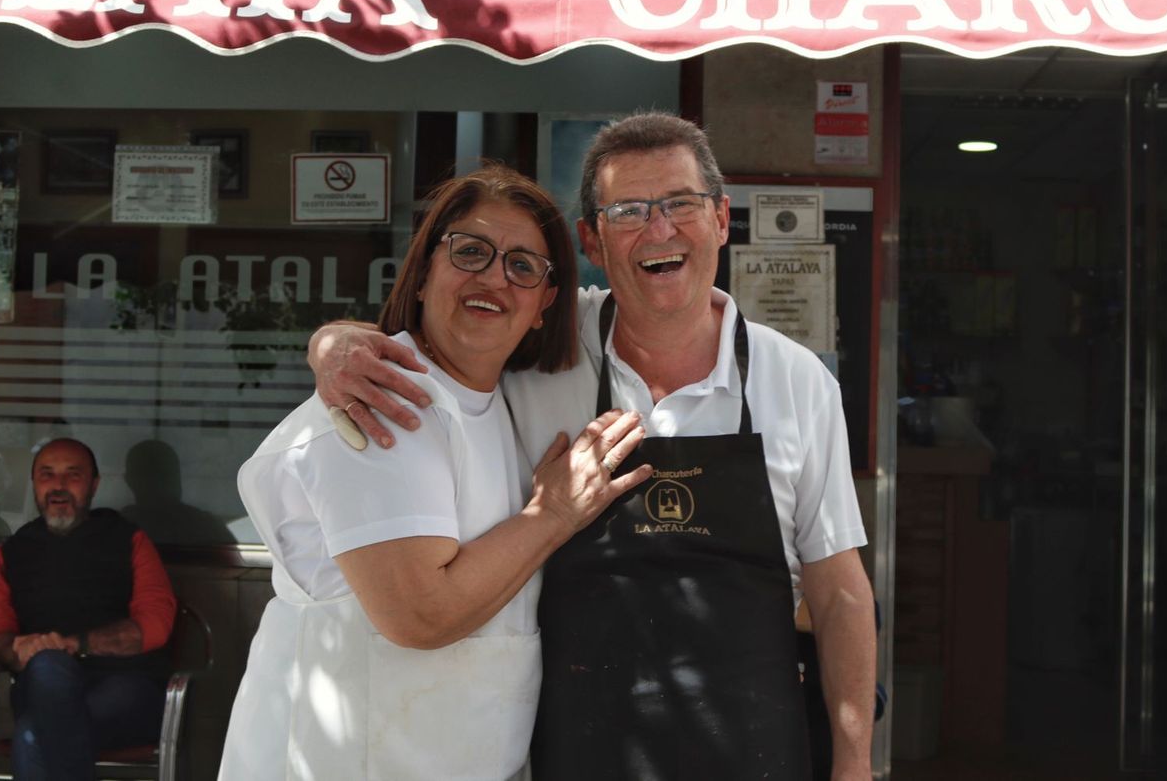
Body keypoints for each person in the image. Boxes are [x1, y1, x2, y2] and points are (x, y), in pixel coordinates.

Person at [311, 113, 877, 780]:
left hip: (753, 747)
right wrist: (335, 343)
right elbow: (452, 327)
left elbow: (839, 592)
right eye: (628, 211)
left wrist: (854, 767)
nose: (658, 230)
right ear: (592, 241)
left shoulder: (797, 381)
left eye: (681, 204)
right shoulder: (543, 346)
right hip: (580, 748)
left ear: (722, 218)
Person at [219, 165, 652, 780]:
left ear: (544, 305)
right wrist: (554, 512)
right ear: (423, 273)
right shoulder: (380, 398)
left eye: (523, 266)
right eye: (470, 252)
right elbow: (420, 615)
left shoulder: (501, 397)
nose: (494, 278)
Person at [0, 437, 177, 781]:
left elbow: (156, 624)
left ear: (94, 485)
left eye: (73, 475)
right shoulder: (11, 553)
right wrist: (18, 649)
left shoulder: (129, 540)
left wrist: (74, 644)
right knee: (46, 668)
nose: (58, 485)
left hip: (124, 689)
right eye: (47, 474)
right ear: (34, 483)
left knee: (31, 736)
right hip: (41, 687)